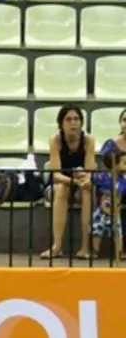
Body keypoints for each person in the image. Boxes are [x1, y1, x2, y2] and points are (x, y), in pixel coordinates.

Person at [42, 104, 96, 260]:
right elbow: (55, 175)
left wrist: (84, 180)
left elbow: (90, 171)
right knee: (61, 188)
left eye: (77, 119)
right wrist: (74, 181)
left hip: (80, 185)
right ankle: (57, 246)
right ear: (61, 123)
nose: (73, 123)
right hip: (60, 184)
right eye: (69, 119)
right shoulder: (55, 140)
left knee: (87, 189)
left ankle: (85, 247)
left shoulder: (88, 140)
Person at [90, 150, 126, 258]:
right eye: (124, 163)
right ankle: (95, 250)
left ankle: (119, 252)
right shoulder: (103, 177)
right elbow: (92, 180)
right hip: (101, 211)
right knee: (97, 230)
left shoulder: (123, 179)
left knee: (118, 233)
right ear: (114, 164)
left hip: (115, 211)